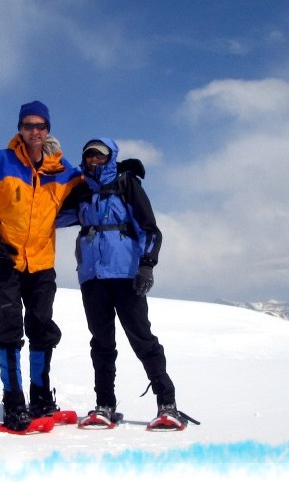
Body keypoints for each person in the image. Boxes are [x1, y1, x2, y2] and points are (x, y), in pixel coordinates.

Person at [0, 100, 82, 431]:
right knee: (11, 326)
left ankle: (41, 399)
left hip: (42, 262)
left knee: (42, 327)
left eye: (40, 126)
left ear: (48, 130)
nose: (34, 131)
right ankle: (14, 404)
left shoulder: (60, 171)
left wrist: (119, 172)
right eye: (28, 126)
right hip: (4, 259)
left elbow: (90, 186)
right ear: (19, 129)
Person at [59, 137, 195, 430]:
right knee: (102, 343)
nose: (94, 159)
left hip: (125, 274)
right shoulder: (81, 190)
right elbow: (52, 216)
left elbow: (150, 229)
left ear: (110, 157)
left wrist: (147, 265)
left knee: (141, 338)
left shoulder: (126, 183)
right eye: (89, 155)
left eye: (99, 154)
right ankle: (104, 405)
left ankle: (167, 404)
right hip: (92, 277)